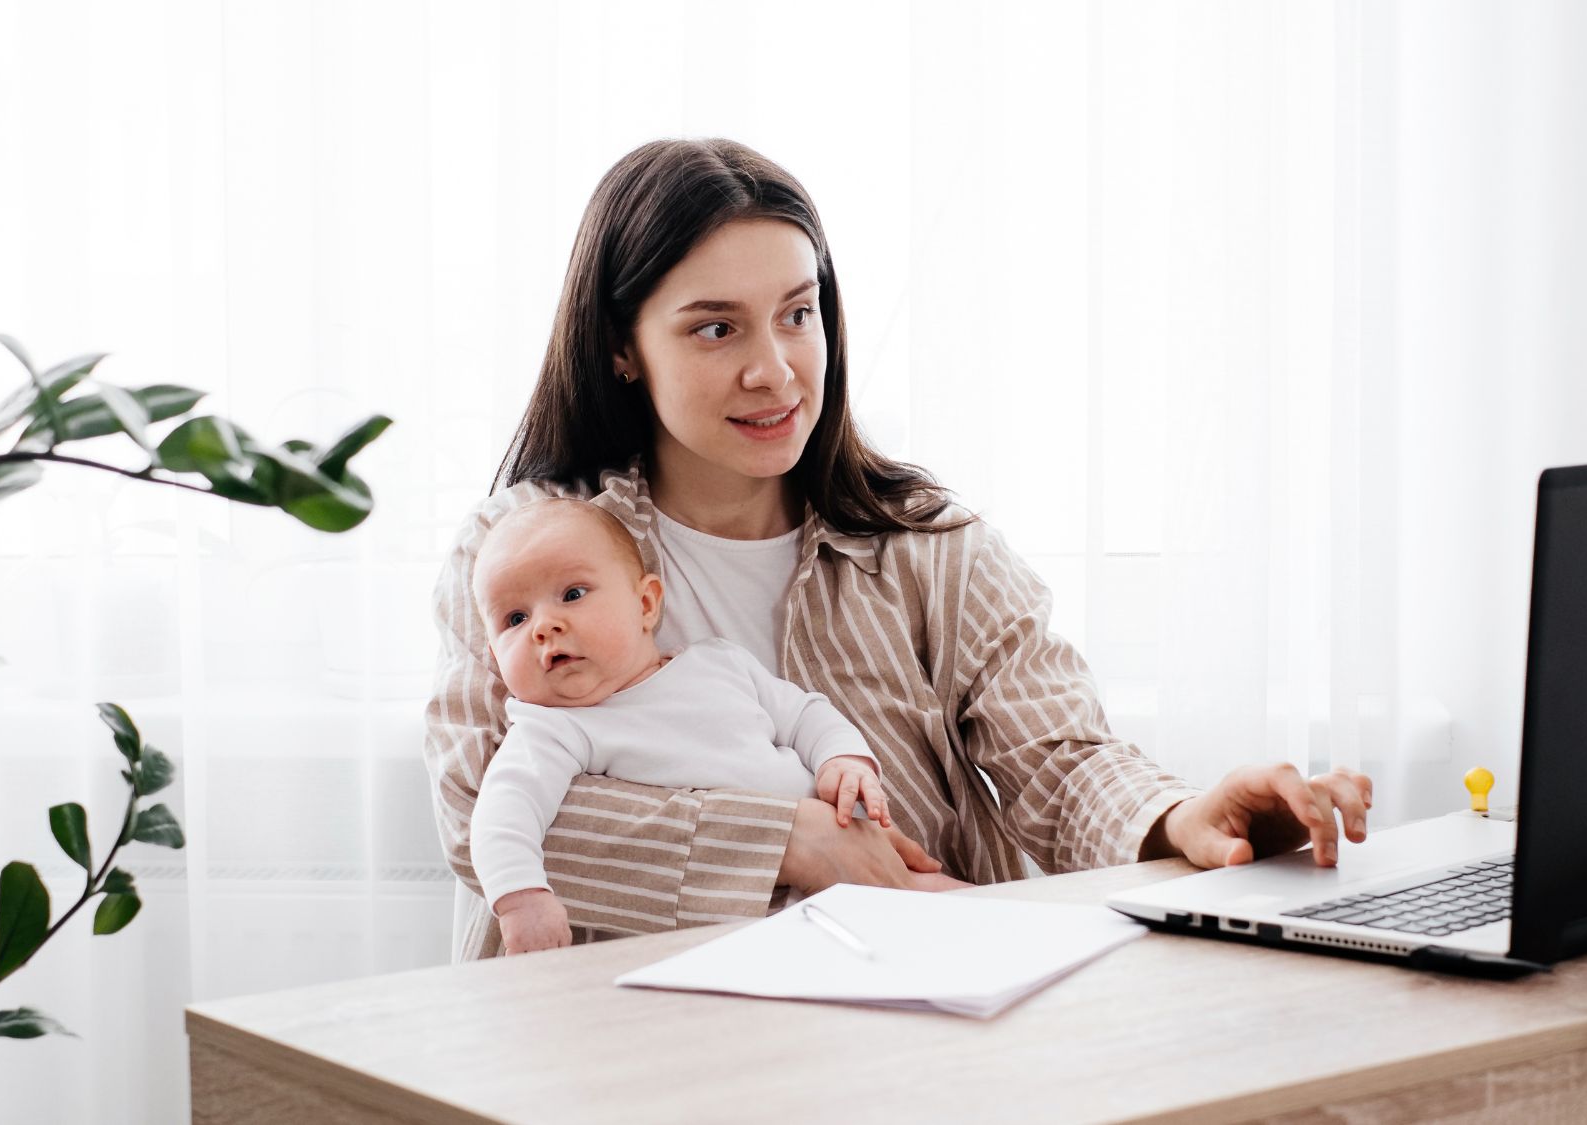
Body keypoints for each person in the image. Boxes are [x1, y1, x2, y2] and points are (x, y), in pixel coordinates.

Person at [424, 137, 1374, 962]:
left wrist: (1183, 817)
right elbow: (479, 811)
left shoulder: (929, 547)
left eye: (798, 314)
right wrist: (789, 842)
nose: (775, 368)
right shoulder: (517, 554)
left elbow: (1062, 760)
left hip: (900, 1024)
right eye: (717, 328)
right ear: (621, 346)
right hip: (613, 1040)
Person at [469, 498, 942, 955]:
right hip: (747, 916)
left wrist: (843, 758)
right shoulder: (554, 728)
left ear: (646, 604)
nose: (543, 627)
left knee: (957, 906)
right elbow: (504, 810)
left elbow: (804, 714)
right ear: (495, 657)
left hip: (860, 856)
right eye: (514, 618)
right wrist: (521, 896)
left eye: (572, 594)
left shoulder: (719, 662)